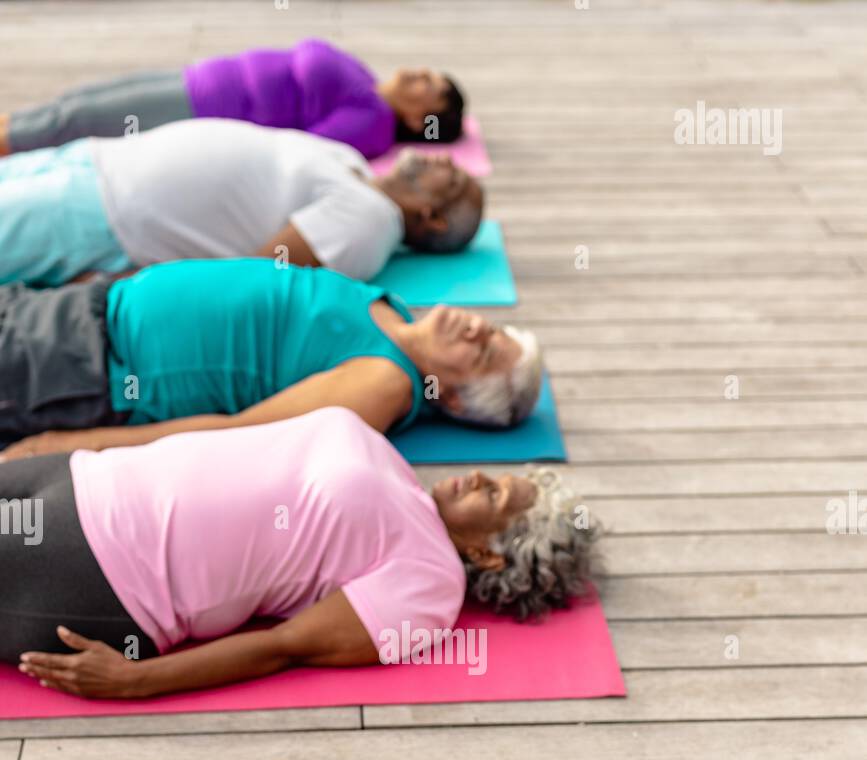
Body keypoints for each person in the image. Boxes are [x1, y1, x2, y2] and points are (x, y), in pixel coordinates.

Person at [3, 408, 594, 699]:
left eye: (494, 495)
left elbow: (284, 647)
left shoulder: (432, 585)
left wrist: (136, 681)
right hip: (84, 477)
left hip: (106, 572)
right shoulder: (393, 462)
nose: (476, 477)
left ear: (490, 556)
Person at [0, 262, 542, 454]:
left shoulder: (383, 384)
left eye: (483, 350)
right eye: (490, 328)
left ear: (446, 394)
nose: (476, 326)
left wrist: (68, 447)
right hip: (90, 308)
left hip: (83, 366)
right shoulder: (395, 310)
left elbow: (235, 432)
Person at [0, 121, 483, 288]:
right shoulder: (353, 164)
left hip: (102, 217)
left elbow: (253, 275)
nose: (445, 156)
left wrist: (117, 285)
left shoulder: (371, 223)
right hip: (98, 162)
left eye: (454, 175)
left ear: (432, 216)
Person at [0, 42, 465, 159]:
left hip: (202, 110)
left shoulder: (374, 122)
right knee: (70, 105)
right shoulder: (366, 77)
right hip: (196, 79)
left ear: (423, 117)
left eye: (433, 87)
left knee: (71, 121)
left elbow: (302, 147)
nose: (424, 74)